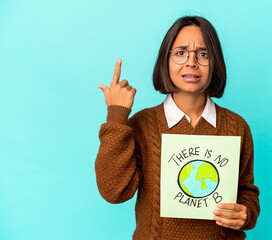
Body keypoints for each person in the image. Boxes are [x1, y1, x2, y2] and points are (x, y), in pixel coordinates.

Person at [95, 16, 260, 240]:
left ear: (215, 63)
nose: (191, 62)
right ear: (166, 60)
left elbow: (245, 190)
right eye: (181, 53)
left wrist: (246, 213)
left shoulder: (236, 126)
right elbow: (114, 191)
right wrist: (116, 114)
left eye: (203, 54)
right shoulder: (142, 125)